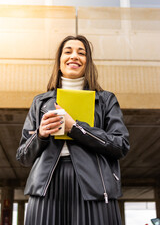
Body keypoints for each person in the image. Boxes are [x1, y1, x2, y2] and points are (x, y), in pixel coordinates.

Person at [16, 35, 130, 225]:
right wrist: (40, 134)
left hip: (94, 185)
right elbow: (23, 156)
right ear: (59, 61)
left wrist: (75, 128)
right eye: (68, 52)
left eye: (81, 53)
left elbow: (120, 145)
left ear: (88, 62)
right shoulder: (40, 102)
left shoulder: (106, 100)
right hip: (46, 186)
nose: (74, 56)